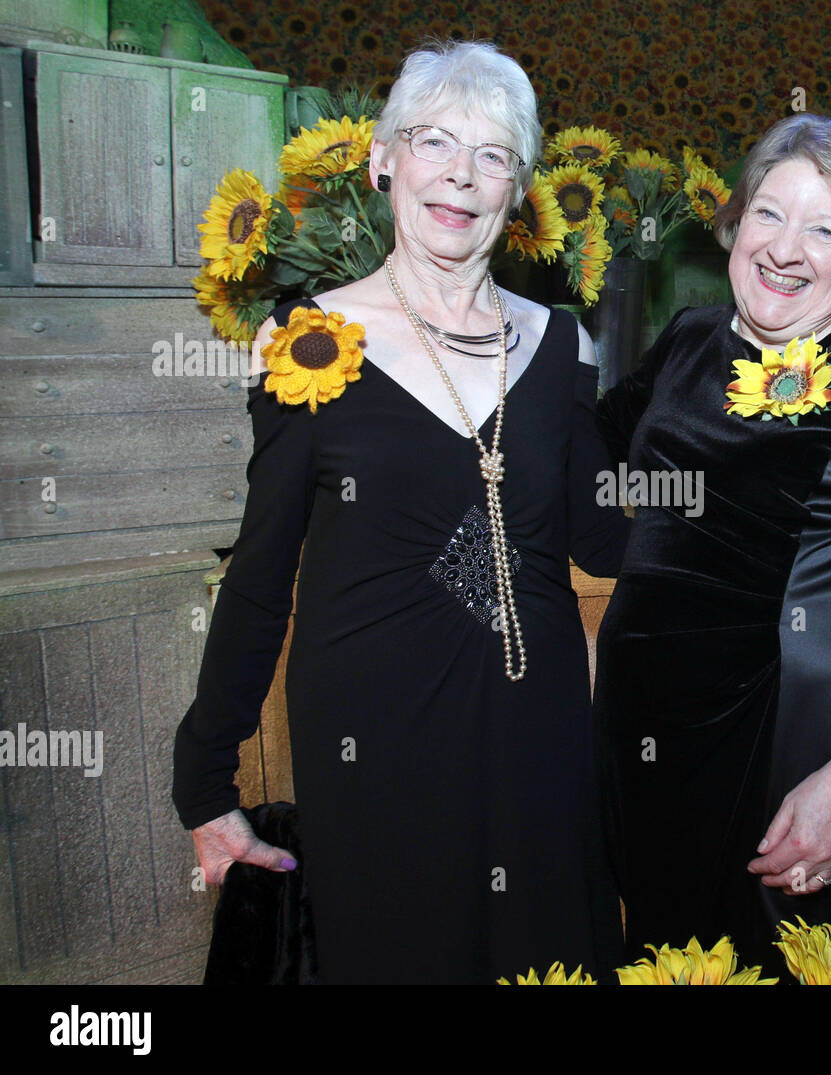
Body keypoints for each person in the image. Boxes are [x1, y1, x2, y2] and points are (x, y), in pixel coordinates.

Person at [172, 40, 628, 984]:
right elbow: (261, 577)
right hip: (376, 744)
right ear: (384, 160)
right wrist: (205, 780)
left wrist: (729, 425)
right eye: (435, 142)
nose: (462, 174)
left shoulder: (563, 344)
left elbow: (604, 533)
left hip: (540, 733)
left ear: (521, 189)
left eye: (494, 155)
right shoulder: (309, 340)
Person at [593, 113, 831, 969]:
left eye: (823, 228)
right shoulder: (691, 335)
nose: (785, 249)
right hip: (641, 715)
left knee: (774, 953)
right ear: (734, 222)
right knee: (657, 947)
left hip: (784, 728)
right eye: (768, 213)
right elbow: (586, 444)